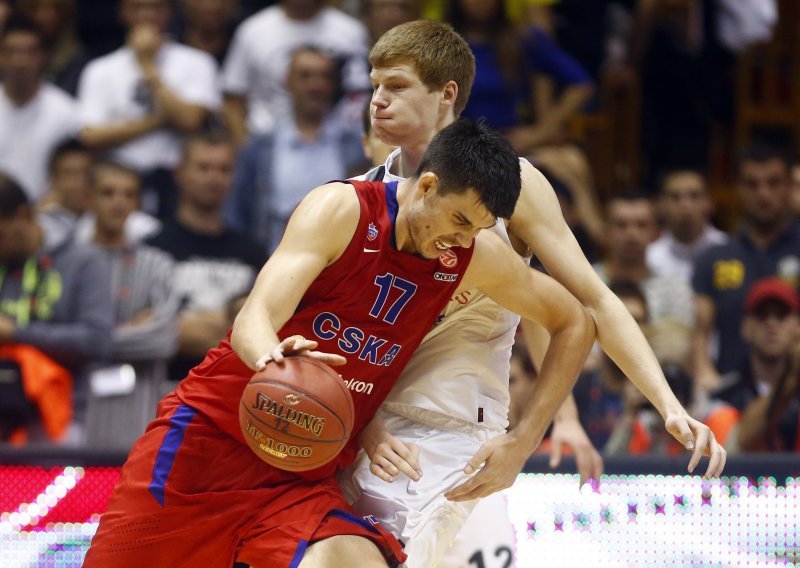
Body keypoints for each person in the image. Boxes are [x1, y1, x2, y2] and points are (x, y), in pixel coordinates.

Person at [84, 118, 597, 567]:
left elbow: (575, 322)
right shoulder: (340, 210)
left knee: (355, 562)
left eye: (479, 229)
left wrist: (524, 441)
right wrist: (275, 358)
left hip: (303, 469)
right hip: (210, 440)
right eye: (460, 220)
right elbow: (253, 319)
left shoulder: (470, 254)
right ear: (427, 187)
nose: (463, 239)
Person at [344, 20, 725, 567]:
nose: (378, 101)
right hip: (371, 433)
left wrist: (666, 404)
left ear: (447, 95)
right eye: (375, 85)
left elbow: (586, 305)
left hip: (460, 435)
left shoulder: (514, 186)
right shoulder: (361, 194)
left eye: (396, 86)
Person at [76, 0, 220, 216]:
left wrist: (147, 66)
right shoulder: (100, 69)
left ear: (169, 12)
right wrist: (161, 120)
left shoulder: (198, 62)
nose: (147, 15)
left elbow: (191, 120)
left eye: (156, 7)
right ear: (123, 13)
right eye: (138, 7)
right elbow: (90, 136)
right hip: (119, 187)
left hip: (177, 187)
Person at [0, 171, 113, 444]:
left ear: (23, 216)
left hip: (60, 422)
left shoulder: (84, 261)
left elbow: (96, 340)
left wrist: (14, 333)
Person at [146, 132, 266, 382]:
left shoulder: (253, 252)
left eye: (224, 169)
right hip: (168, 387)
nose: (214, 178)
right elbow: (146, 333)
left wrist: (184, 325)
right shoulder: (152, 249)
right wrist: (231, 327)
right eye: (203, 168)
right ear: (179, 173)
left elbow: (266, 332)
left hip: (233, 391)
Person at [224, 45, 366, 252]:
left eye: (324, 77)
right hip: (270, 260)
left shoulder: (355, 145)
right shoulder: (261, 146)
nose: (316, 85)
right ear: (287, 82)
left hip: (337, 266)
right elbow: (237, 211)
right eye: (305, 76)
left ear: (335, 84)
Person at [83, 161, 179, 451]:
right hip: (75, 416)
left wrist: (87, 337)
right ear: (89, 198)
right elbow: (53, 337)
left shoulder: (158, 264)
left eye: (128, 194)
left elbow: (164, 338)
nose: (118, 202)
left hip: (139, 416)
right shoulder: (68, 263)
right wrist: (131, 329)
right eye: (108, 193)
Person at [692, 142, 800, 390]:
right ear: (738, 189)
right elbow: (699, 333)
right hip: (731, 395)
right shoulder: (714, 257)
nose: (763, 193)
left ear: (789, 187)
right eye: (752, 184)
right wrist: (707, 378)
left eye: (773, 183)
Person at [221, 0, 370, 144]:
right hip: (264, 141)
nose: (314, 85)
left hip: (340, 143)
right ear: (286, 80)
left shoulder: (351, 31)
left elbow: (360, 95)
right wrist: (248, 149)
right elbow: (233, 99)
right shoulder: (252, 30)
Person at [702, 277, 800, 451]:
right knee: (722, 419)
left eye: (781, 315)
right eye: (762, 315)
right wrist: (789, 381)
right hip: (740, 476)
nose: (772, 324)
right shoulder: (725, 395)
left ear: (797, 326)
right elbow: (733, 446)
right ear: (746, 326)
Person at [0, 16, 79, 201]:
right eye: (12, 52)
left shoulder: (66, 113)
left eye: (29, 52)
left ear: (43, 56)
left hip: (47, 216)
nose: (20, 61)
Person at [647, 167, 728, 283]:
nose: (685, 205)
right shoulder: (650, 259)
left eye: (694, 196)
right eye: (675, 197)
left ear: (709, 202)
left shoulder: (728, 251)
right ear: (661, 205)